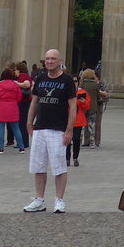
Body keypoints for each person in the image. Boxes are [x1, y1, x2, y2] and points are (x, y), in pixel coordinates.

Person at [22, 48, 77, 214]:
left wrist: (69, 129)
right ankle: (39, 199)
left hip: (58, 129)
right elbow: (35, 102)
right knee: (38, 166)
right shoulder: (40, 78)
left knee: (59, 166)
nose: (49, 61)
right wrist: (29, 122)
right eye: (47, 59)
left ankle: (59, 200)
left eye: (53, 58)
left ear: (59, 61)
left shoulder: (67, 80)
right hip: (40, 127)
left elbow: (73, 105)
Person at [0, 68, 25, 153]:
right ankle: (21, 147)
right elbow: (19, 97)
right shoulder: (15, 85)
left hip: (1, 107)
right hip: (12, 107)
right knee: (16, 128)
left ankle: (1, 148)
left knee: (0, 128)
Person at [70, 85, 89, 167]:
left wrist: (83, 102)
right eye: (73, 81)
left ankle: (75, 158)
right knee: (67, 140)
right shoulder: (66, 91)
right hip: (67, 119)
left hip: (78, 119)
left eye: (75, 81)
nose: (74, 83)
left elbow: (87, 106)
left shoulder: (83, 92)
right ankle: (67, 158)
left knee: (76, 139)